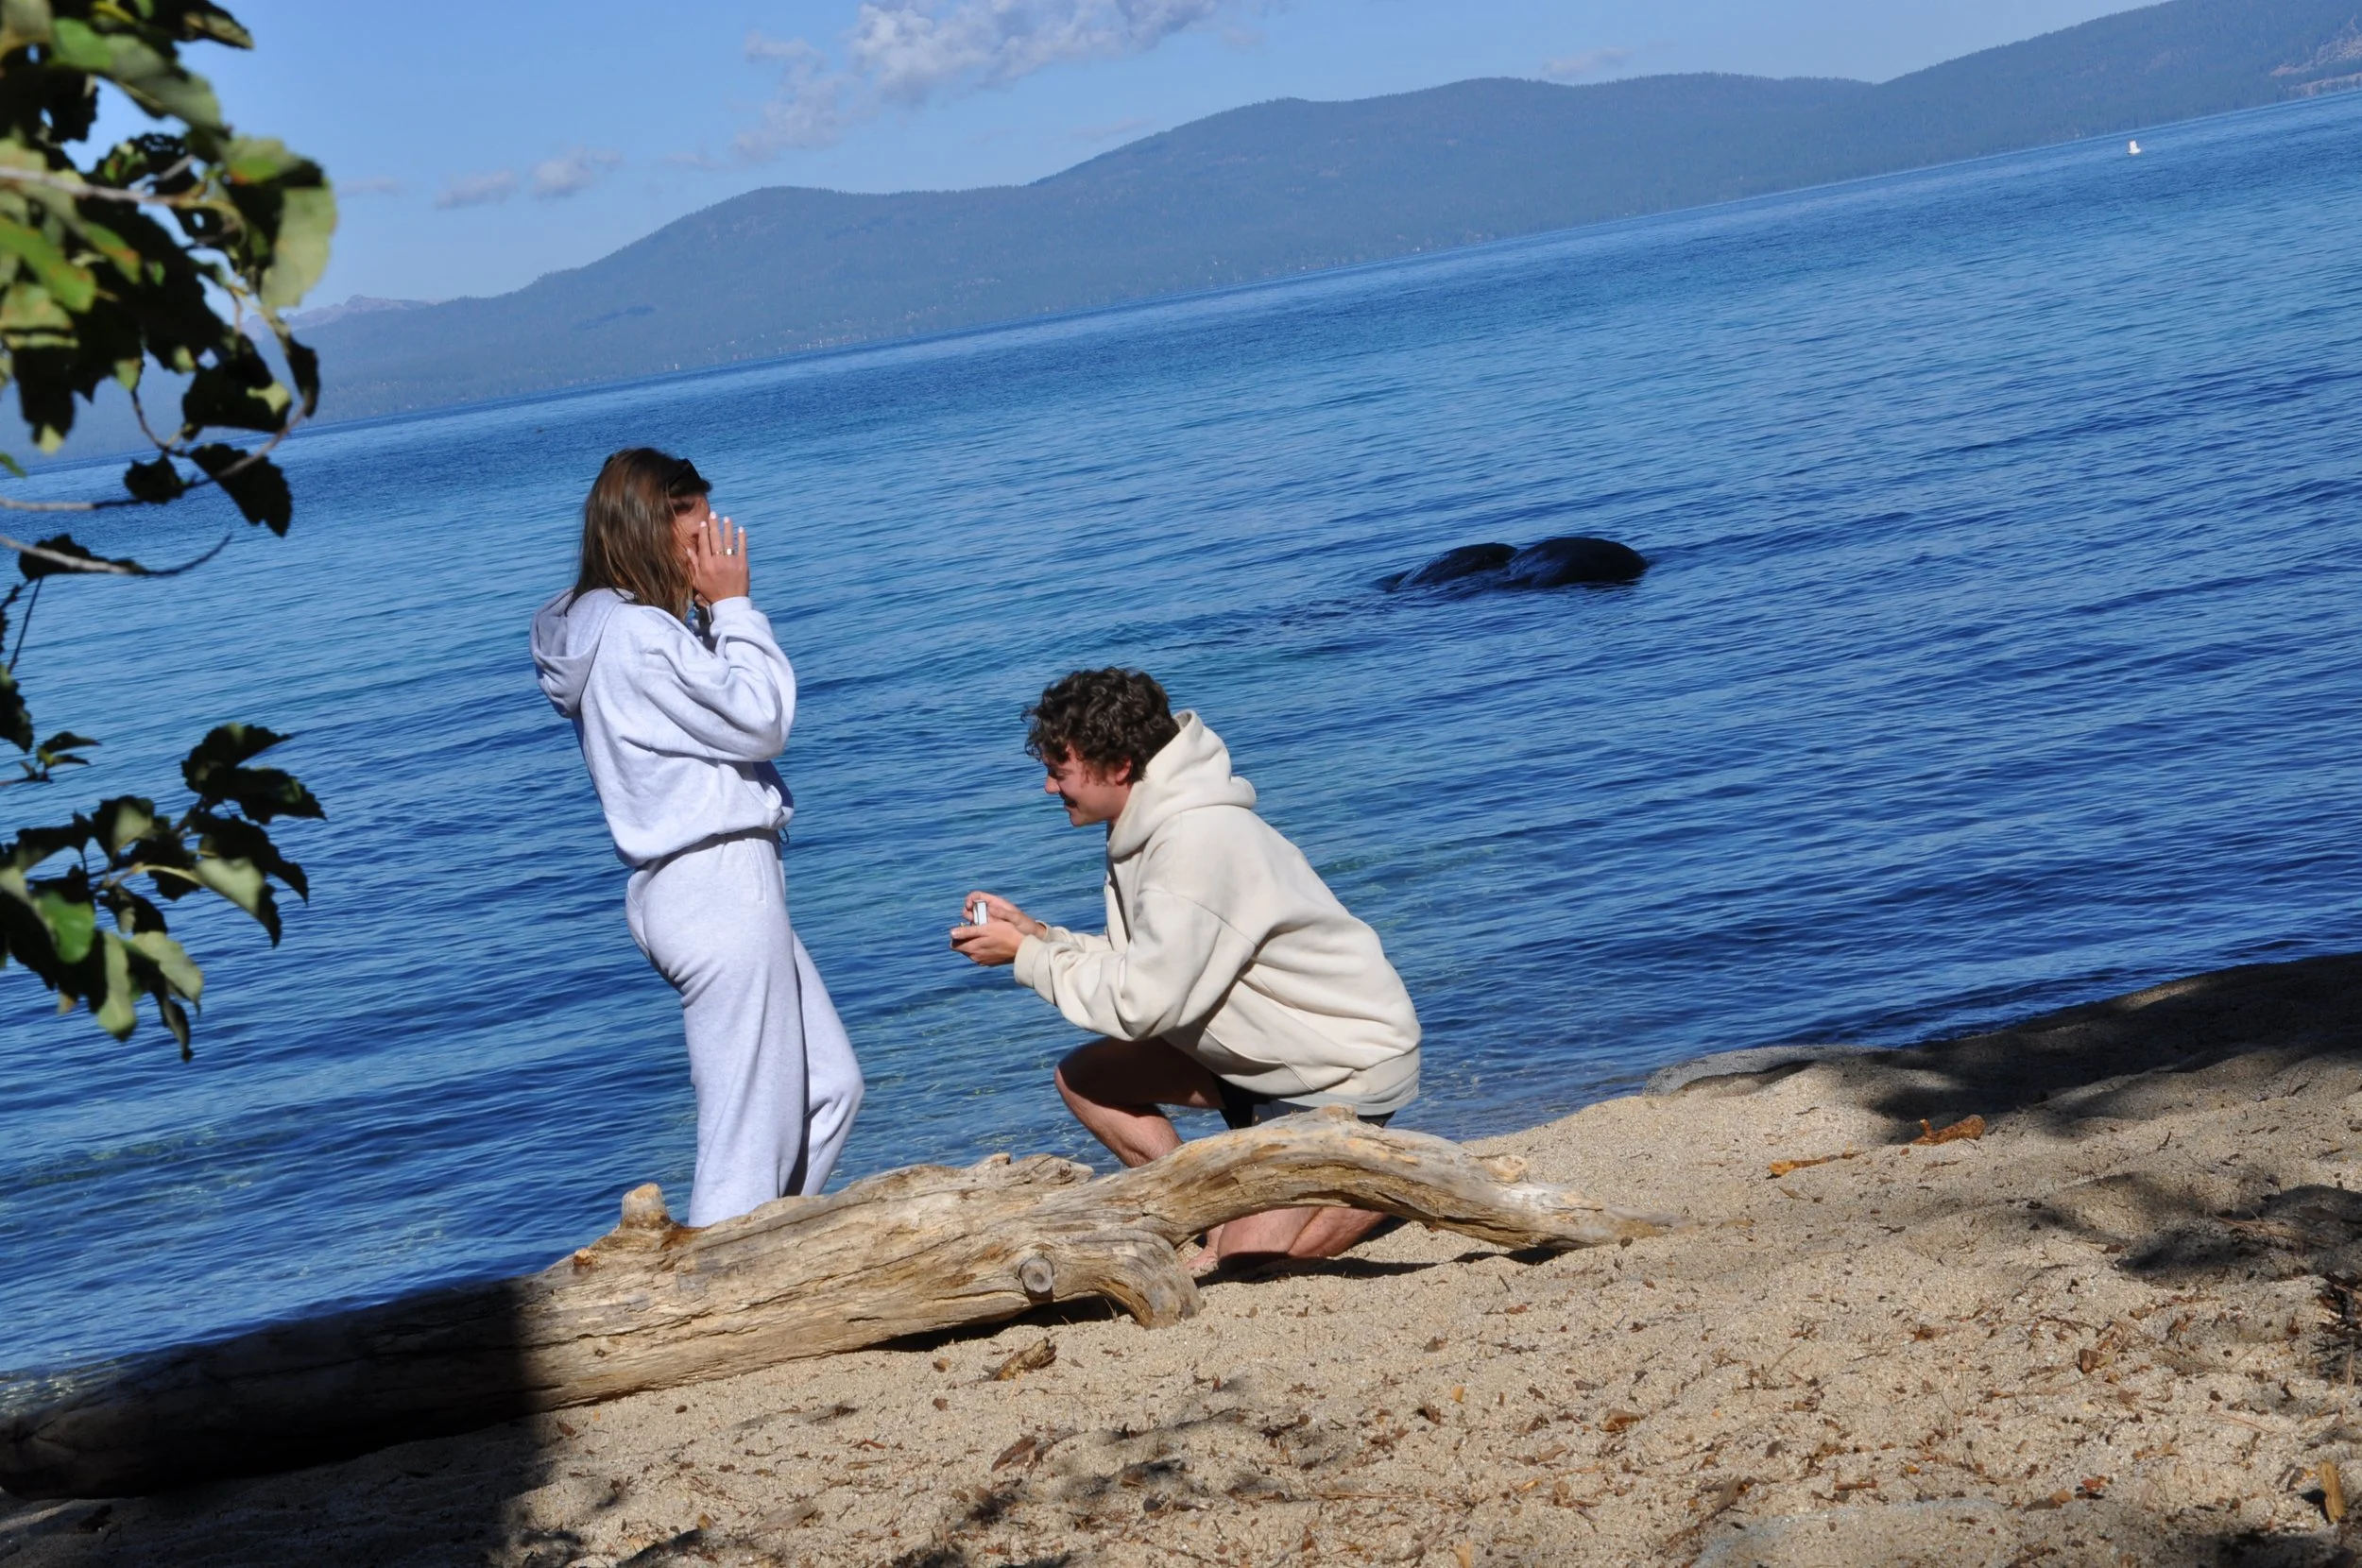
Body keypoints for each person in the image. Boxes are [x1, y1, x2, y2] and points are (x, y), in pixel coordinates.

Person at [951, 668, 1420, 1271]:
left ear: (1119, 766)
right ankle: (1203, 1215)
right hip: (1266, 1055)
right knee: (1086, 1078)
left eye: (1059, 771)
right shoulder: (1151, 821)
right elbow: (1147, 961)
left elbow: (1141, 1005)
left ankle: (1388, 1178)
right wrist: (1041, 937)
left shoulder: (1194, 840)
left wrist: (1026, 958)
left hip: (1341, 1066)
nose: (1048, 787)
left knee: (1249, 1261)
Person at [530, 448, 862, 1227]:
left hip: (703, 882)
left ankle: (764, 1252)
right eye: (696, 531)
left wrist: (708, 618)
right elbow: (763, 721)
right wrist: (736, 609)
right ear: (649, 528)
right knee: (746, 1138)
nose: (713, 548)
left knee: (827, 1089)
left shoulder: (613, 629)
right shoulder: (638, 635)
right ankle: (720, 1274)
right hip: (714, 884)